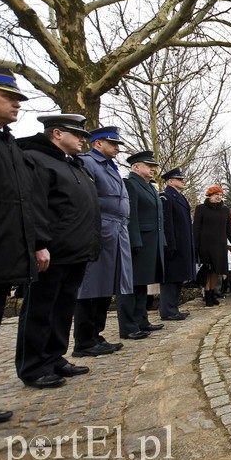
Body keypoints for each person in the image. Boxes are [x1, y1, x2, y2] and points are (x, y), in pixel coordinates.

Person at [16, 114, 101, 389]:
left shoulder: (73, 165)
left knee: (63, 308)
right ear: (56, 133)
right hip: (51, 252)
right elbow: (34, 205)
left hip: (75, 250)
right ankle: (33, 366)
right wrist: (40, 244)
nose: (82, 140)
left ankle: (54, 357)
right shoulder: (36, 159)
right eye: (76, 134)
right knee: (40, 309)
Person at [0, 66, 38, 425]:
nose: (16, 104)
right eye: (8, 96)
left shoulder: (5, 141)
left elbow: (23, 200)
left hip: (1, 253)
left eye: (19, 98)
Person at [73, 126, 131, 357]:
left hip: (116, 230)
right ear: (97, 143)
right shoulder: (87, 162)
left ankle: (96, 334)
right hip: (100, 228)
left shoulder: (110, 166)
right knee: (91, 285)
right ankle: (84, 341)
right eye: (112, 143)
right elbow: (87, 198)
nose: (117, 148)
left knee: (106, 285)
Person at [116, 150, 166, 338]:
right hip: (139, 242)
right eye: (149, 165)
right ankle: (128, 327)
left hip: (151, 241)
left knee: (141, 284)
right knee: (130, 285)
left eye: (154, 166)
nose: (153, 169)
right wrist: (134, 240)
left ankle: (141, 320)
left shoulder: (148, 186)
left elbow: (159, 218)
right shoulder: (130, 184)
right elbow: (132, 215)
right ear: (136, 167)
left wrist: (163, 240)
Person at [159, 168, 195, 321]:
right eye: (179, 179)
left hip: (183, 243)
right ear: (170, 181)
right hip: (174, 244)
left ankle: (173, 308)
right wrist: (170, 245)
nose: (183, 181)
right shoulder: (166, 196)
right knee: (171, 278)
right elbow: (167, 223)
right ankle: (168, 311)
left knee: (178, 277)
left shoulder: (179, 196)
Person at [194, 186, 231, 306]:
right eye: (216, 195)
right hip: (205, 245)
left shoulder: (225, 210)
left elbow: (229, 229)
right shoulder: (201, 208)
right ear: (209, 195)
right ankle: (207, 294)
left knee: (216, 271)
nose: (219, 197)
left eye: (221, 195)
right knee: (208, 271)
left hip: (220, 245)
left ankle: (213, 292)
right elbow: (196, 228)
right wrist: (195, 245)